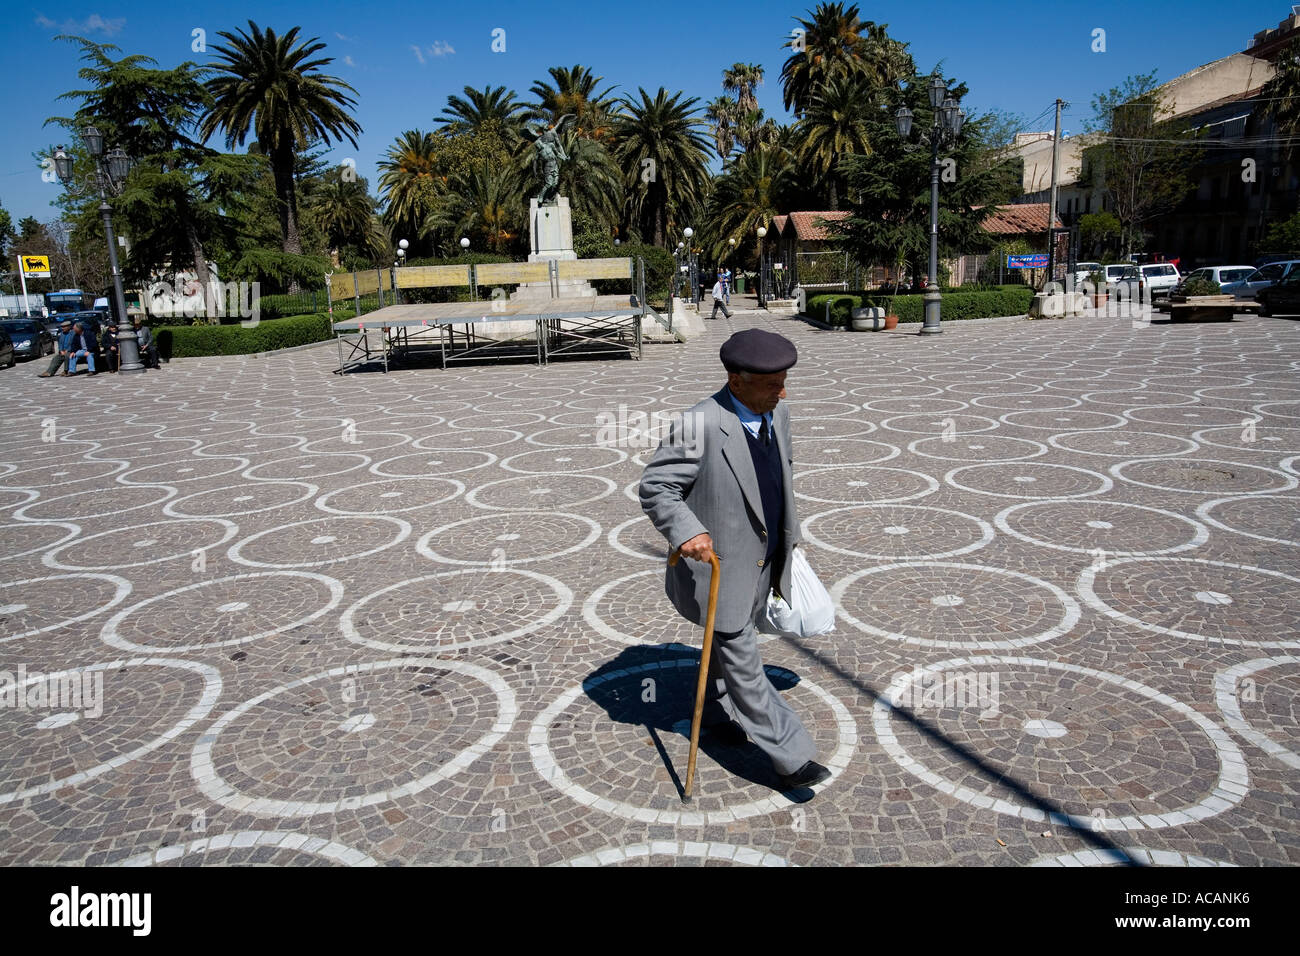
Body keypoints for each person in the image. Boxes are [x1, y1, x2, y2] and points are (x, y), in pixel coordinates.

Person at [639, 328, 831, 793]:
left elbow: (778, 474)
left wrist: (789, 540)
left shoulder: (777, 412)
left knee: (727, 645)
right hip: (718, 566)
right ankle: (792, 756)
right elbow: (656, 487)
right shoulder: (699, 423)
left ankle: (713, 713)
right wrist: (689, 531)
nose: (781, 392)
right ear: (736, 379)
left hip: (766, 558)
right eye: (771, 384)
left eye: (784, 381)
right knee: (741, 655)